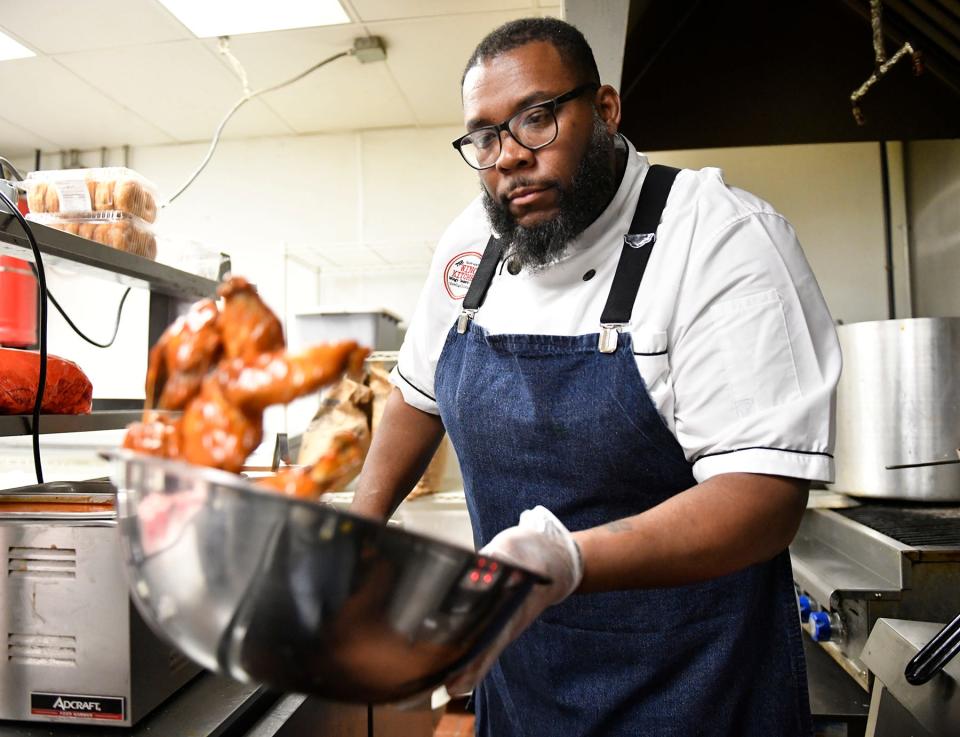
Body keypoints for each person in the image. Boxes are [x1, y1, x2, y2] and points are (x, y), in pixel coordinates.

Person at [351, 16, 840, 737]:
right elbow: (416, 394)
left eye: (537, 119)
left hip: (695, 693)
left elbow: (763, 496)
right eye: (484, 137)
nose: (509, 157)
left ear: (606, 110)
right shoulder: (472, 242)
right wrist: (353, 530)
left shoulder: (719, 237)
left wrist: (565, 559)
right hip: (522, 692)